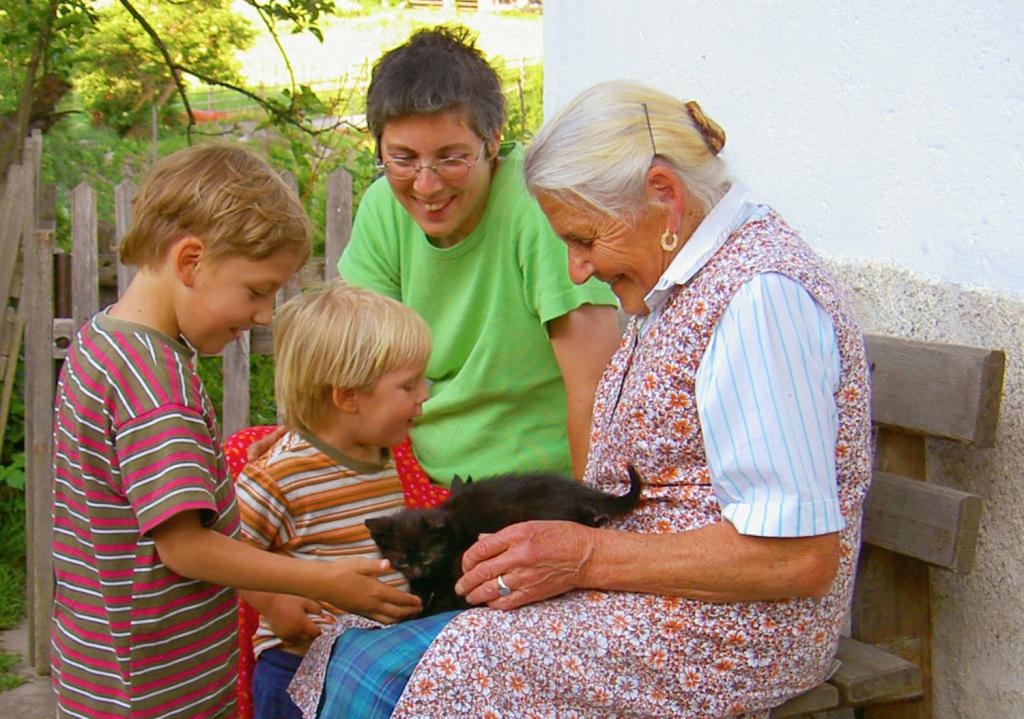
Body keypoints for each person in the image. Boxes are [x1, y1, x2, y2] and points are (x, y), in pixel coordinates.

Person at [293, 81, 873, 719]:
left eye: (584, 239)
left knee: (414, 674)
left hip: (732, 636)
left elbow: (797, 557)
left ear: (664, 195)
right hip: (658, 597)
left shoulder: (761, 299)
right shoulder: (691, 281)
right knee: (358, 642)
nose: (575, 270)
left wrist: (588, 554)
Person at [49, 144, 421, 719]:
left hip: (99, 664)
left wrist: (217, 473)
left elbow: (130, 496)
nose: (266, 315)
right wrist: (319, 580)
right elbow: (186, 547)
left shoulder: (102, 344)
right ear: (192, 261)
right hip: (160, 683)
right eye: (257, 290)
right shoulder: (156, 383)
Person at [337, 25, 621, 482]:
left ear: (492, 141)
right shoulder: (381, 209)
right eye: (403, 159)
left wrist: (594, 523)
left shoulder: (538, 205)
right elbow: (353, 365)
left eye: (452, 158)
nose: (426, 185)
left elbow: (597, 390)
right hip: (422, 471)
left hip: (532, 486)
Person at [235, 281, 432, 719]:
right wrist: (273, 602)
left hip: (371, 669)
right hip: (296, 668)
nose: (424, 396)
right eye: (408, 386)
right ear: (347, 397)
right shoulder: (280, 473)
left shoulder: (384, 450)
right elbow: (224, 547)